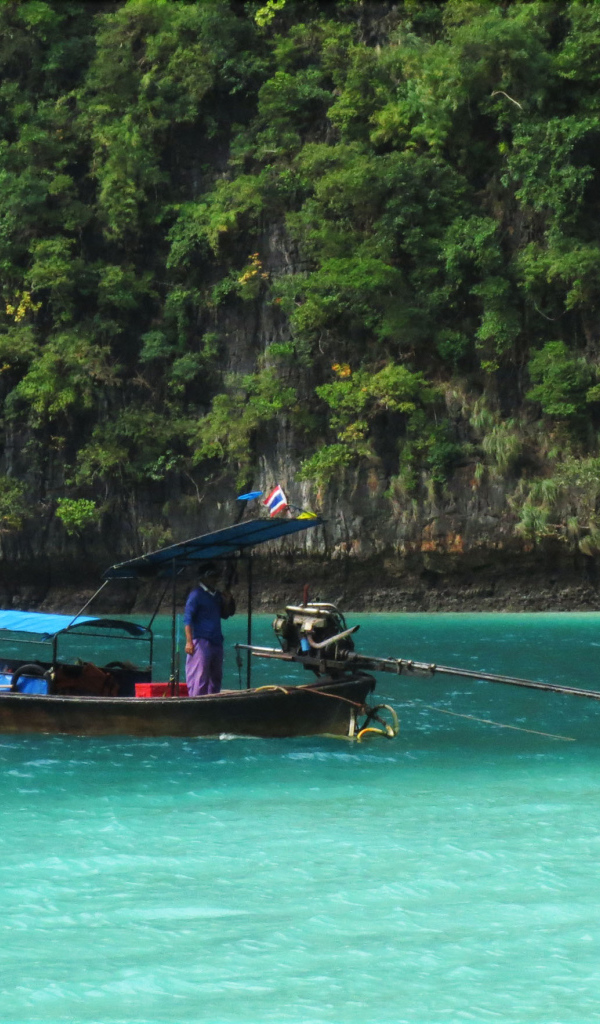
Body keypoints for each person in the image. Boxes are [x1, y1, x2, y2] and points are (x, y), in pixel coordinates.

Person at [184, 562, 236, 697]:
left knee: (216, 676)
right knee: (200, 676)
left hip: (216, 640)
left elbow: (225, 614)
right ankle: (197, 701)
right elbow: (188, 619)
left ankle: (213, 700)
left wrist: (228, 601)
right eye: (211, 575)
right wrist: (189, 642)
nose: (214, 579)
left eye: (215, 576)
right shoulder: (196, 595)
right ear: (203, 577)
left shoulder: (216, 595)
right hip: (201, 641)